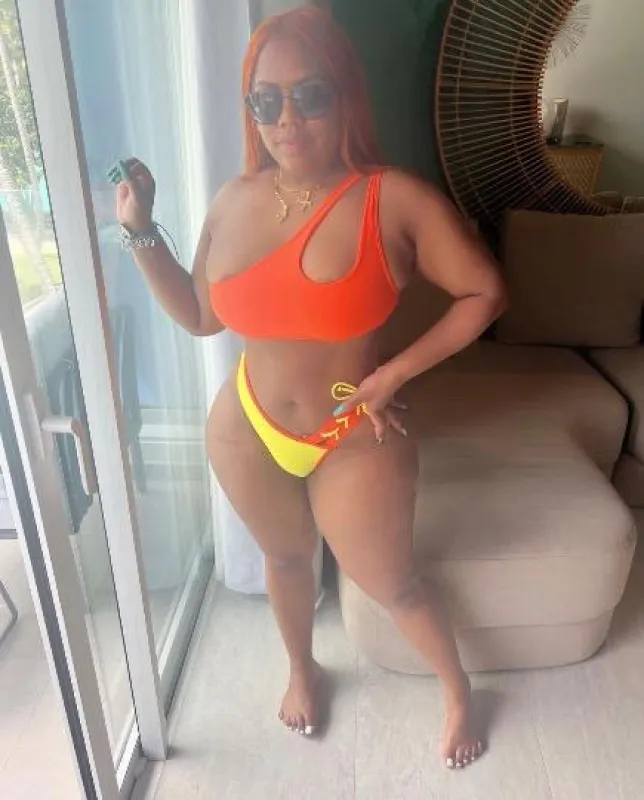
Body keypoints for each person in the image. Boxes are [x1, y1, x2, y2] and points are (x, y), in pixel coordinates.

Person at [113, 7, 507, 770]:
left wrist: (393, 373)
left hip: (353, 432)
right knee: (286, 561)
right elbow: (199, 315)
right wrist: (140, 228)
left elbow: (485, 292)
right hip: (246, 425)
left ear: (345, 95)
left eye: (310, 95)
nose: (286, 119)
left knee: (393, 582)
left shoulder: (392, 198)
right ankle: (303, 668)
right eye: (266, 101)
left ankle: (458, 690)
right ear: (250, 109)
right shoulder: (234, 199)